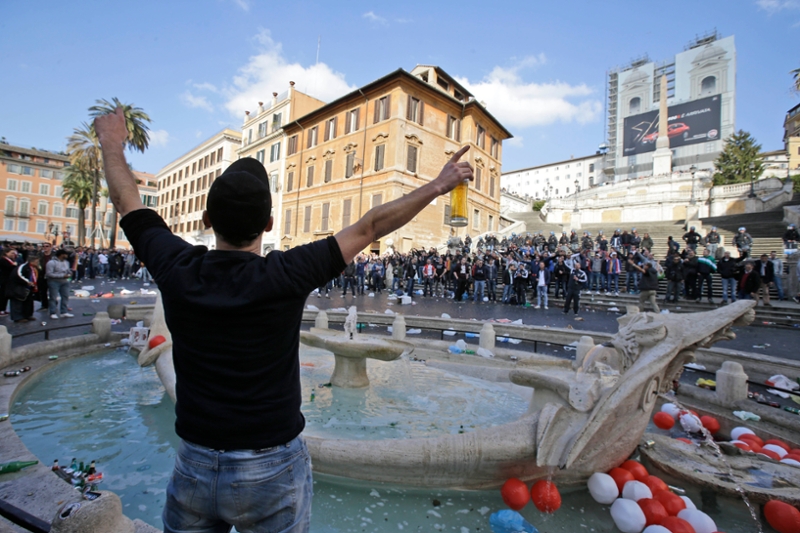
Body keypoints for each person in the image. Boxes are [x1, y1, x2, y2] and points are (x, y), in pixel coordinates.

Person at [95, 107, 474, 533]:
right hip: (272, 465)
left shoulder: (175, 265)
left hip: (196, 461)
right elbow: (370, 227)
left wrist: (112, 142)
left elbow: (126, 200)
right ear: (269, 223)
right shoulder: (287, 272)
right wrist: (440, 184)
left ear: (206, 221)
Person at [8, 255, 39, 322]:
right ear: (32, 261)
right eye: (36, 261)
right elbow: (19, 274)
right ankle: (18, 317)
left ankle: (27, 315)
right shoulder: (23, 266)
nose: (37, 263)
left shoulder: (33, 268)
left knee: (28, 302)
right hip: (18, 287)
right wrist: (27, 282)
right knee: (18, 303)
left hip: (28, 288)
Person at [45, 249, 74, 319]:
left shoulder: (66, 262)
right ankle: (52, 312)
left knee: (65, 296)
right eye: (66, 254)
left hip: (65, 281)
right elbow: (49, 274)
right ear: (61, 255)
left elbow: (67, 270)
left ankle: (63, 312)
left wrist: (70, 272)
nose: (67, 256)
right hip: (54, 281)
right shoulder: (51, 263)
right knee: (53, 297)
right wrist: (62, 276)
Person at [0, 248, 19, 316]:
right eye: (11, 253)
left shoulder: (11, 260)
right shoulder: (3, 260)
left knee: (7, 295)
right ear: (6, 253)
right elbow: (8, 268)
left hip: (9, 280)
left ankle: (4, 309)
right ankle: (1, 309)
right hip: (5, 279)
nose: (13, 255)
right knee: (3, 295)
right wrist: (14, 265)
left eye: (14, 253)